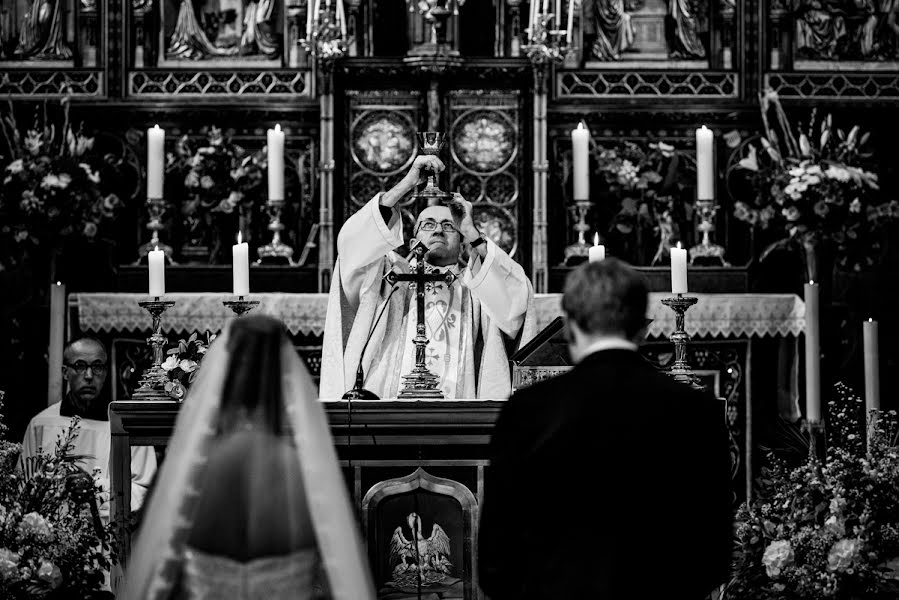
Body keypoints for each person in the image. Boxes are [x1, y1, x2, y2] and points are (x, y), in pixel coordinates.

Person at [478, 259, 733, 599]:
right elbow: (713, 556)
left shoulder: (528, 410)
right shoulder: (694, 409)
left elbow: (496, 560)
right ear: (642, 327)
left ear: (569, 326)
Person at [124, 315, 376, 600]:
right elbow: (341, 574)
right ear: (285, 380)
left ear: (224, 377)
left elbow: (157, 570)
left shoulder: (191, 469)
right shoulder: (311, 473)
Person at [321, 155, 536, 400]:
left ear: (462, 244)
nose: (437, 230)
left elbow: (517, 301)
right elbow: (352, 247)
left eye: (448, 226)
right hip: (387, 410)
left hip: (459, 412)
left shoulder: (476, 287)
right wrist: (405, 185)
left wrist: (472, 231)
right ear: (413, 242)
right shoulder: (391, 280)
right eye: (428, 224)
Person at [20, 337, 157, 524]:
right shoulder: (41, 425)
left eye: (98, 366)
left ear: (106, 372)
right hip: (51, 538)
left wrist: (97, 488)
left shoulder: (128, 426)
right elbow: (24, 490)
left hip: (109, 539)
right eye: (80, 365)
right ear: (65, 372)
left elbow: (146, 490)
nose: (89, 375)